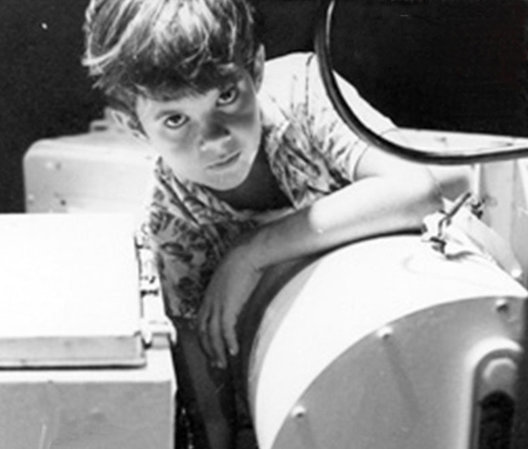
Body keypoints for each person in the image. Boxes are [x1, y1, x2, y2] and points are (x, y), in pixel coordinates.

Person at [83, 1, 443, 447]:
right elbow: (203, 383)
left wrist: (252, 251)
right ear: (133, 126)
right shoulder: (170, 217)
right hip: (314, 388)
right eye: (175, 119)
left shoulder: (306, 89)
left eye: (226, 97)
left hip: (409, 329)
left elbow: (417, 190)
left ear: (254, 68)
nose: (214, 139)